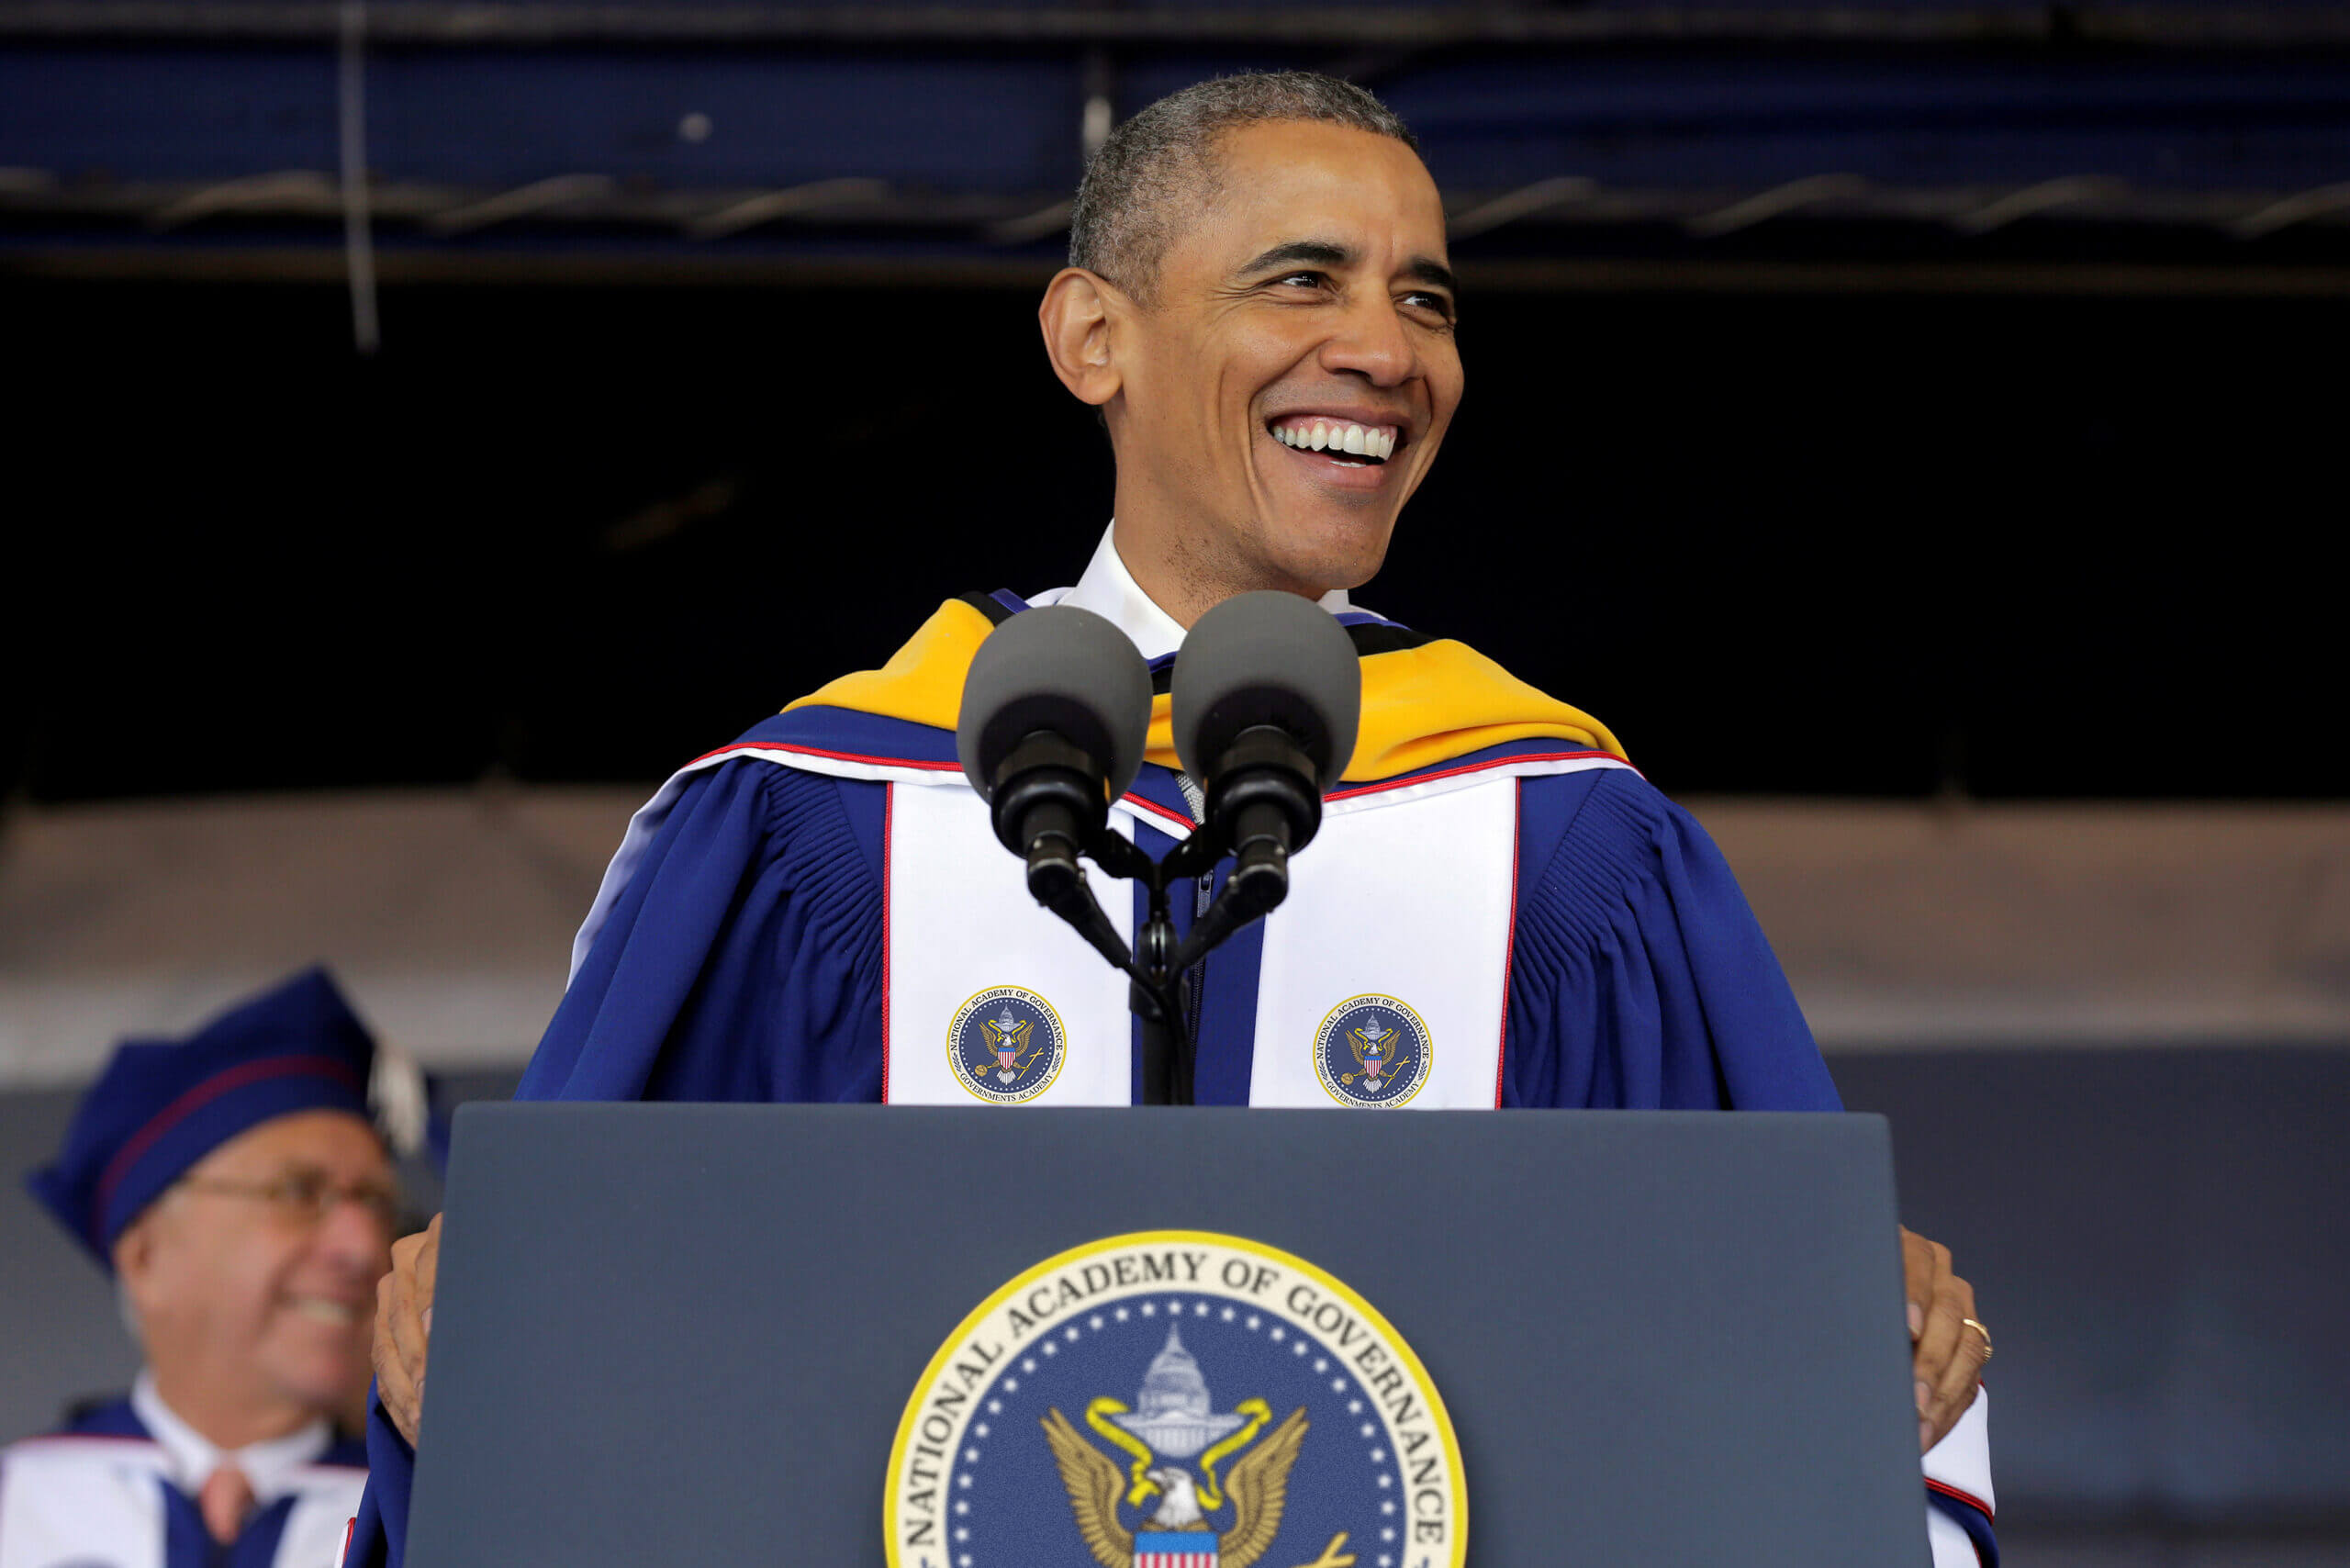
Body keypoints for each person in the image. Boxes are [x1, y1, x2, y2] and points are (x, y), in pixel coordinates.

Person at [353, 73, 1996, 1566]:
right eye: (1304, 278)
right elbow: (584, 1377)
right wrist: (485, 1338)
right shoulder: (821, 822)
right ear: (1092, 339)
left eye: (1426, 297)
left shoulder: (1560, 839)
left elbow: (1758, 1372)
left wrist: (1869, 1338)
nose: (1389, 348)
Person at [2, 969, 399, 1568]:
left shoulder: (418, 1522)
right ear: (146, 1256)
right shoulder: (22, 1504)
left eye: (375, 1202)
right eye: (298, 1191)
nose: (364, 1246)